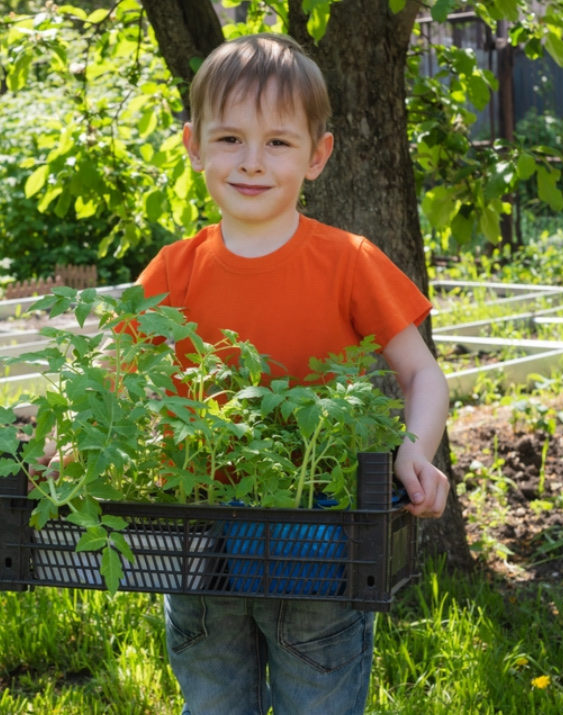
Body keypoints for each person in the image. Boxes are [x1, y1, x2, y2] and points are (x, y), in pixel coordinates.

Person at [132, 33, 451, 714]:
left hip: (319, 539)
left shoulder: (348, 261)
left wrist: (414, 453)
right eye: (229, 140)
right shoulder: (170, 271)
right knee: (212, 701)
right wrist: (58, 444)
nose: (252, 162)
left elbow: (422, 374)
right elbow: (109, 380)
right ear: (193, 146)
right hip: (195, 538)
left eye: (278, 142)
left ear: (317, 156)